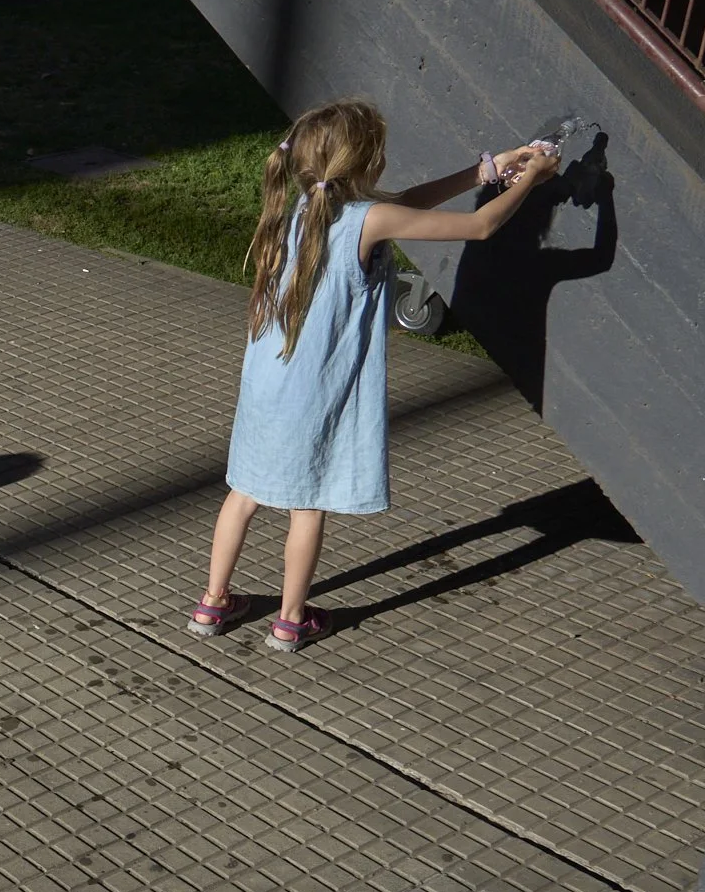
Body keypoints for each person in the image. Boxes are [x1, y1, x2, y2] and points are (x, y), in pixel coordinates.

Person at [189, 99, 559, 652]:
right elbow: (481, 227)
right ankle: (290, 620)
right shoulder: (368, 219)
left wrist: (485, 169)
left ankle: (212, 604)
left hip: (268, 385)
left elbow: (405, 205)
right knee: (306, 503)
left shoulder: (303, 207)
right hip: (314, 393)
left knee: (242, 494)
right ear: (365, 161)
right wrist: (531, 178)